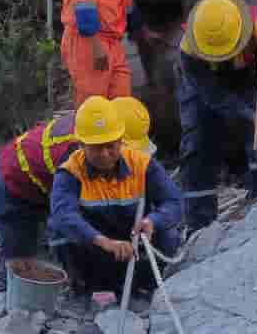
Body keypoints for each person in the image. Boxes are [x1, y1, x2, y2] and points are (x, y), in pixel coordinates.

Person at [172, 0, 257, 230]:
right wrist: (250, 116)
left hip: (246, 79)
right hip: (203, 89)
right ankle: (199, 223)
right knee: (197, 144)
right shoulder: (189, 52)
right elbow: (214, 96)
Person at [47, 97, 185, 301]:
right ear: (81, 145)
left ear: (121, 140)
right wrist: (103, 242)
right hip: (97, 246)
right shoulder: (70, 172)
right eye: (96, 147)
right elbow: (63, 215)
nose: (104, 154)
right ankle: (90, 288)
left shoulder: (142, 164)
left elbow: (174, 202)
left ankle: (146, 285)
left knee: (168, 231)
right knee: (59, 232)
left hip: (136, 239)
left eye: (110, 146)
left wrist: (151, 222)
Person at [0, 97, 101, 271]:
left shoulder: (99, 128)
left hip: (37, 183)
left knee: (32, 254)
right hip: (12, 182)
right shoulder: (74, 155)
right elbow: (63, 218)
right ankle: (9, 296)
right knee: (17, 261)